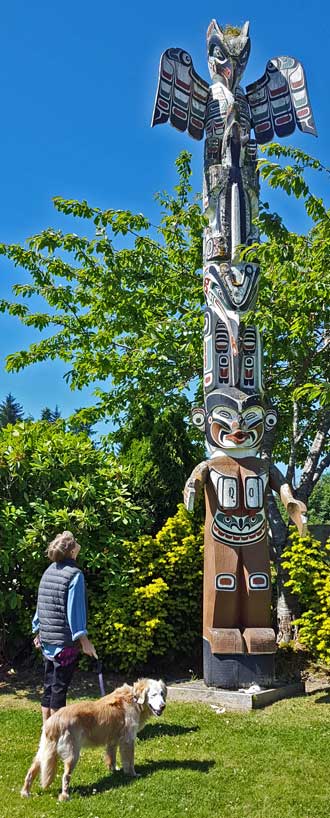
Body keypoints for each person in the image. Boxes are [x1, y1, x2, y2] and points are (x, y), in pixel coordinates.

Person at [32, 530, 97, 723]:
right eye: (75, 542)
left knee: (49, 686)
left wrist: (38, 630)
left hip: (47, 640)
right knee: (59, 689)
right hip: (63, 644)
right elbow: (74, 611)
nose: (78, 543)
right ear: (71, 552)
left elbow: (41, 605)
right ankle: (56, 734)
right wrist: (84, 641)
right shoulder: (75, 575)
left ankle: (46, 731)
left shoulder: (49, 570)